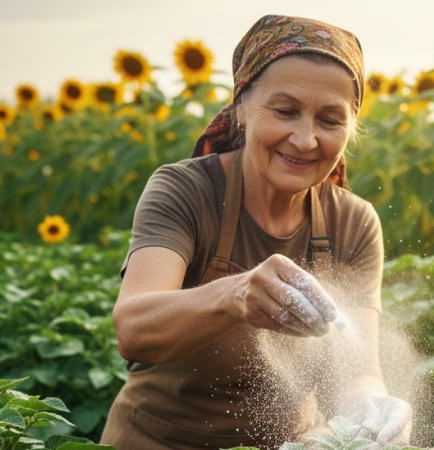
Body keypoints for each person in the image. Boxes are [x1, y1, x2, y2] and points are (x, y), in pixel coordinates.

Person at [99, 15, 413, 450]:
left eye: (329, 120)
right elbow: (133, 329)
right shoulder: (185, 191)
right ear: (241, 107)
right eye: (285, 111)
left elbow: (356, 370)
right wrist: (236, 294)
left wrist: (372, 408)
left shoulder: (353, 222)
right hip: (158, 440)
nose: (304, 139)